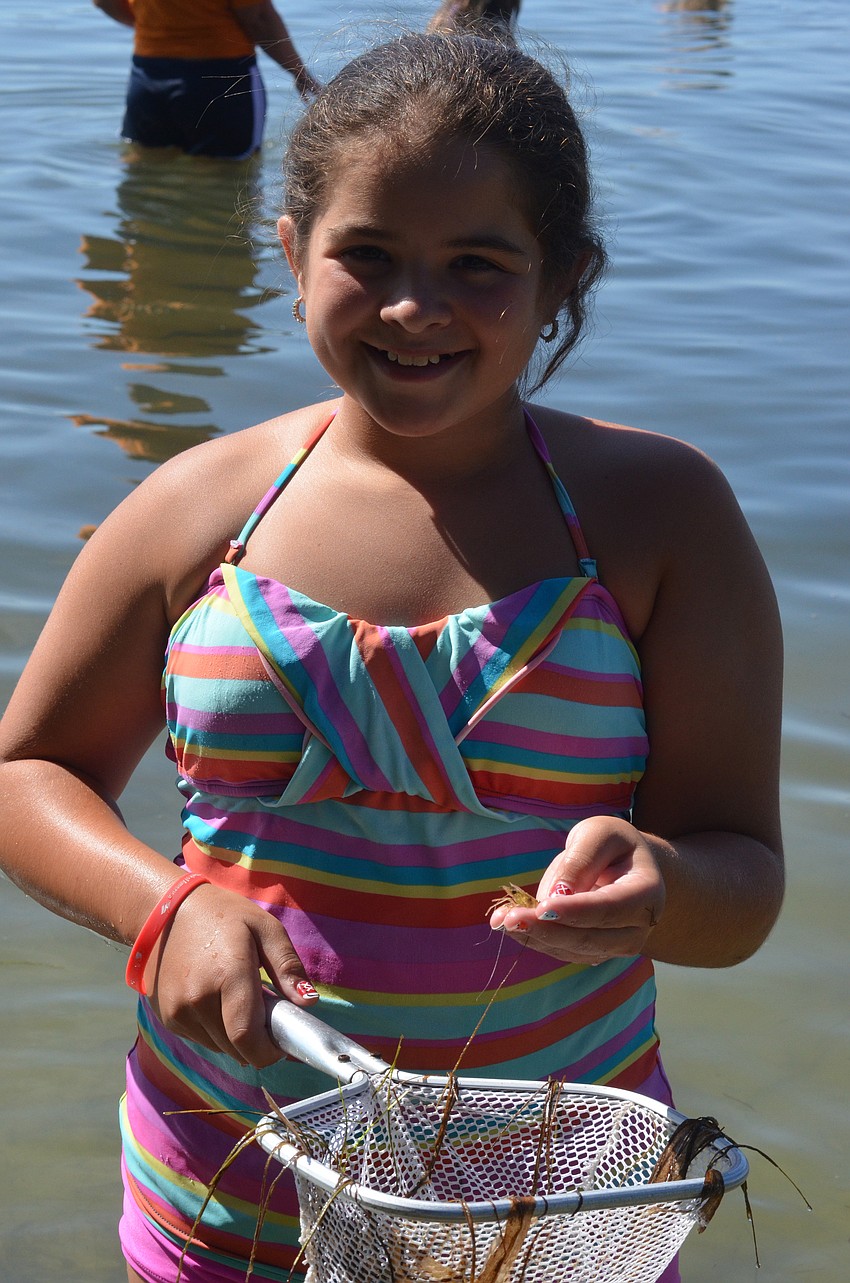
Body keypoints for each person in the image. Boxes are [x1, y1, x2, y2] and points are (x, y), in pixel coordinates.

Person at [0, 27, 784, 1283]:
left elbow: (741, 878)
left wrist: (665, 883)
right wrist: (165, 907)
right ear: (291, 250)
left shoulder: (658, 517)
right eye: (366, 254)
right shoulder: (198, 508)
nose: (415, 306)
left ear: (563, 276)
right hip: (223, 1191)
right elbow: (27, 771)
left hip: (550, 1217)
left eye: (479, 264)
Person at [93, 0, 320, 158]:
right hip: (219, 79)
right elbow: (258, 18)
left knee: (145, 169)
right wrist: (298, 72)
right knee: (225, 180)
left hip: (147, 79)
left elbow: (103, 2)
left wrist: (152, 25)